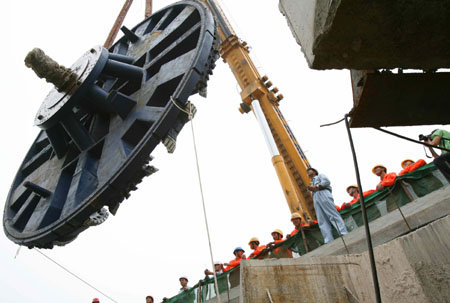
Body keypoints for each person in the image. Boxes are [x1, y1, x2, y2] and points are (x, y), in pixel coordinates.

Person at [306, 168, 348, 244]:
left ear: (315, 172)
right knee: (321, 220)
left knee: (332, 214)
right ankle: (328, 239)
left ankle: (343, 232)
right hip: (316, 197)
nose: (308, 172)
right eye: (307, 172)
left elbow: (327, 182)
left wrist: (315, 187)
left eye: (310, 170)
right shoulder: (311, 183)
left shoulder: (320, 176)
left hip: (323, 193)